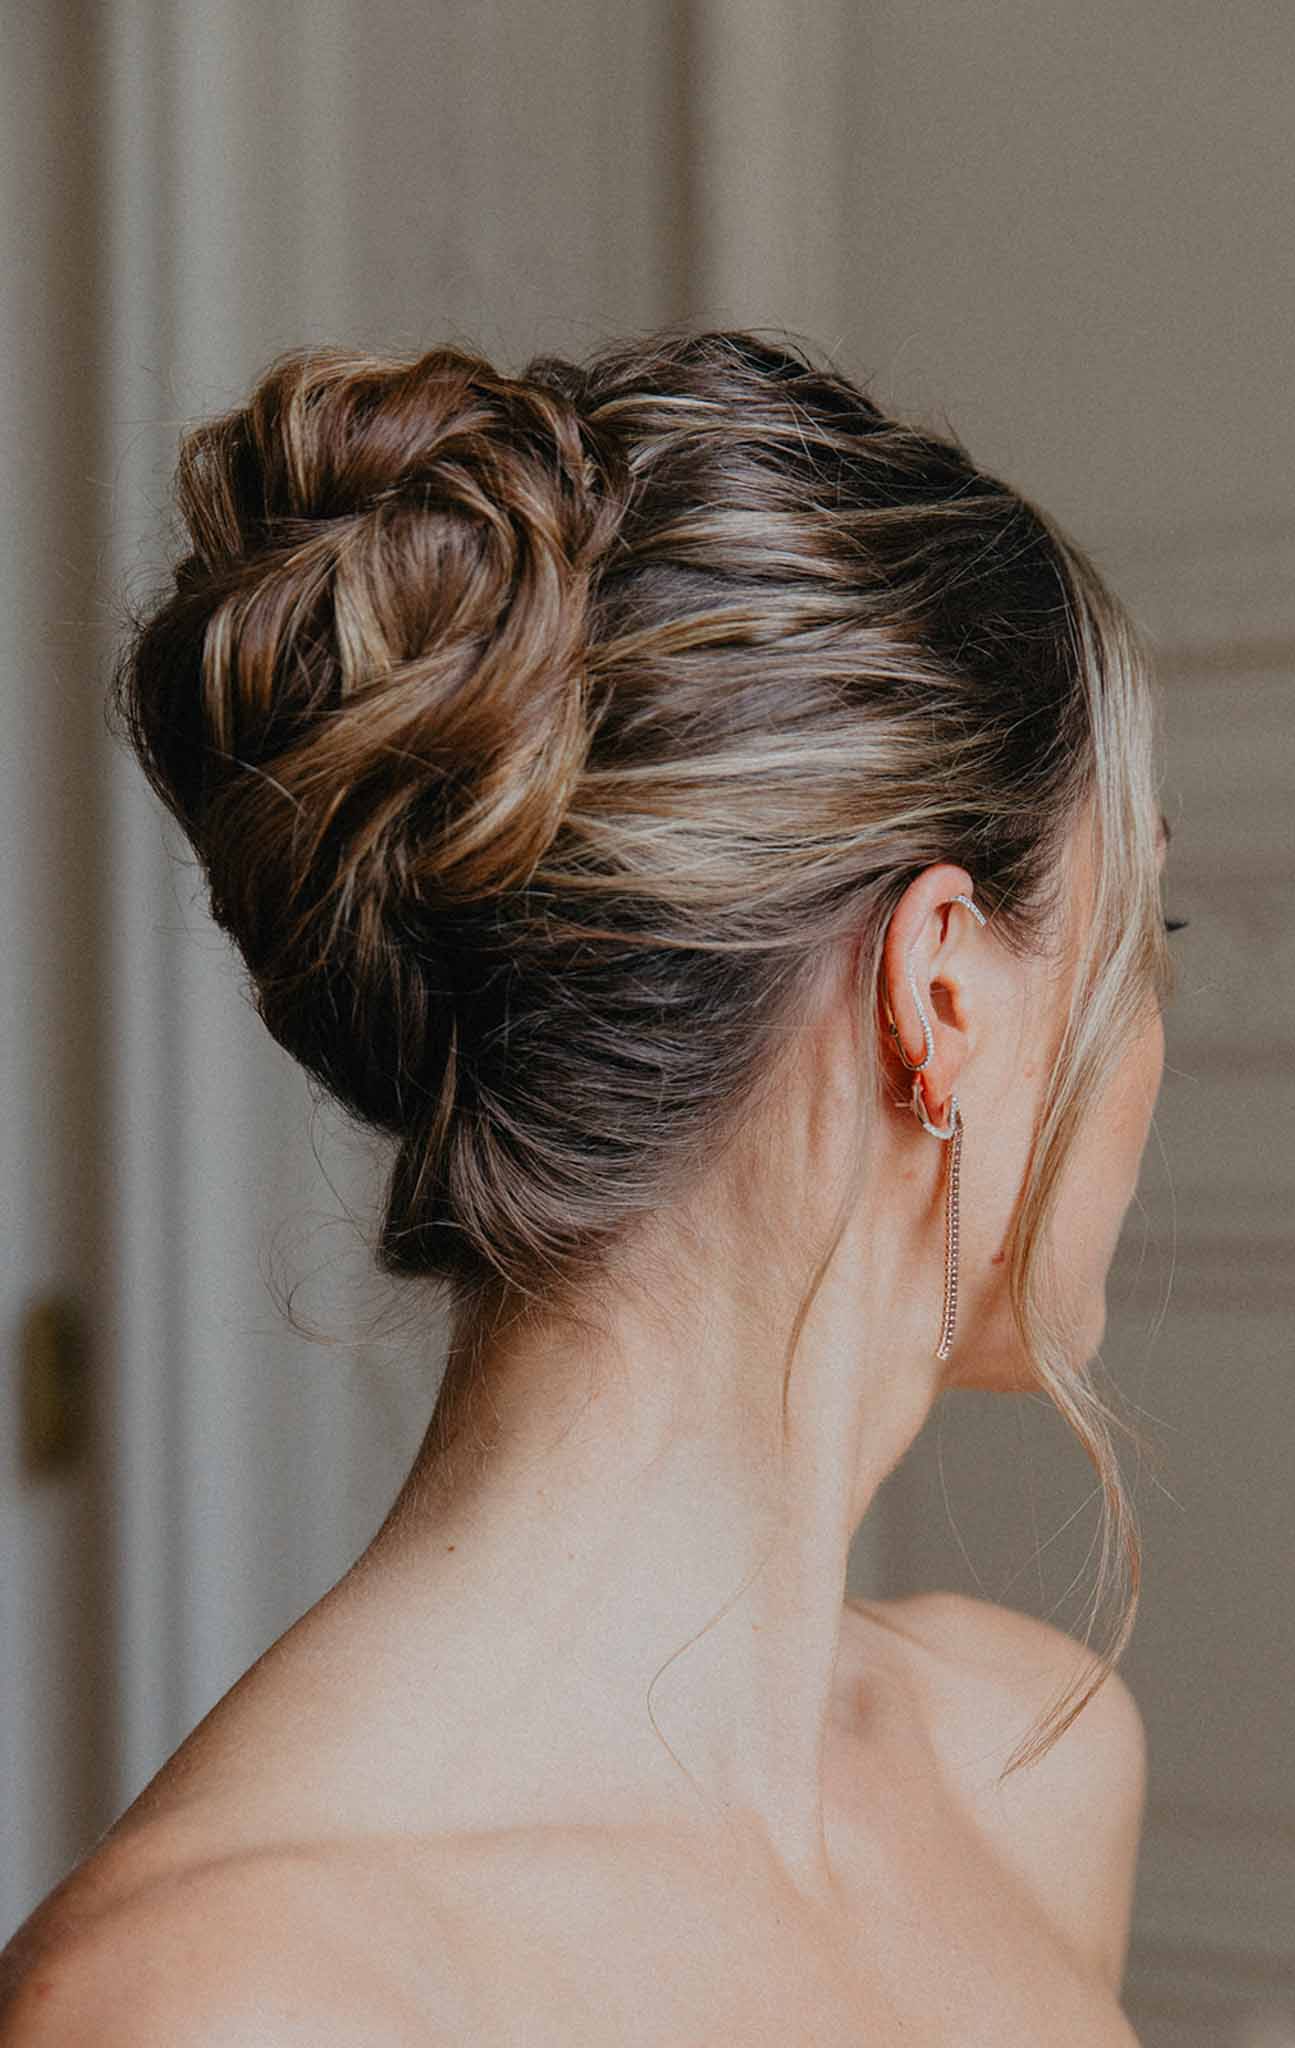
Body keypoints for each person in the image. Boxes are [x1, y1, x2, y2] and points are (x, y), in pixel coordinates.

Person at [1, 325, 1181, 2044]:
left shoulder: (1027, 1763)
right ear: (939, 990)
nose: (1151, 1037)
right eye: (1142, 935)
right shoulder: (233, 2006)